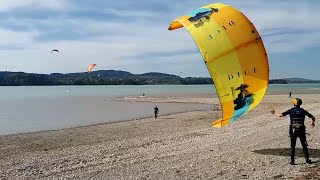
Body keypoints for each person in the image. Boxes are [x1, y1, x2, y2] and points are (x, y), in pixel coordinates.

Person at [271, 98, 315, 165]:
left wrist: (274, 113)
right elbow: (312, 117)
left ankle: (292, 161)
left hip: (293, 130)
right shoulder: (303, 111)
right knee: (304, 145)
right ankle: (307, 159)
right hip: (301, 130)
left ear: (294, 103)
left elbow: (280, 115)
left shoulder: (291, 110)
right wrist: (313, 123)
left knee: (293, 145)